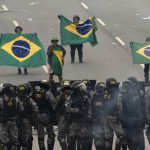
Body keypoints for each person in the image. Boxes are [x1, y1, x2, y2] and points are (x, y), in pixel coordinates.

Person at [117, 79, 145, 150]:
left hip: (131, 124)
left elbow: (119, 110)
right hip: (133, 124)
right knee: (137, 143)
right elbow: (142, 107)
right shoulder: (137, 94)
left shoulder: (121, 95)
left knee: (134, 144)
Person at [65, 81, 91, 150]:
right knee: (72, 140)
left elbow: (89, 107)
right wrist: (77, 111)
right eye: (80, 87)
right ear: (76, 89)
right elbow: (67, 108)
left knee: (84, 139)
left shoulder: (84, 97)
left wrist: (88, 114)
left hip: (83, 121)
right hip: (74, 122)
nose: (82, 89)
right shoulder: (70, 98)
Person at [32, 80, 56, 150]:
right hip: (47, 117)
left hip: (37, 117)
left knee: (41, 136)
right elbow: (53, 105)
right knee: (51, 135)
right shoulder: (48, 93)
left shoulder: (34, 93)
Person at [0, 83, 24, 150]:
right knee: (14, 143)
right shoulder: (16, 99)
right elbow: (21, 110)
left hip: (3, 123)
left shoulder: (1, 100)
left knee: (3, 143)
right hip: (13, 122)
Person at [16, 83, 39, 150]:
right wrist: (32, 117)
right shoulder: (29, 99)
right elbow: (36, 110)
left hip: (17, 122)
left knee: (17, 138)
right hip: (27, 121)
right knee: (28, 139)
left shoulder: (15, 99)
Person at [104, 78, 124, 150]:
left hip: (105, 117)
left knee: (108, 137)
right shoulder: (117, 93)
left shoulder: (104, 92)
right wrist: (121, 114)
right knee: (120, 136)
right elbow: (119, 105)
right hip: (114, 117)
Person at [54, 80, 72, 150]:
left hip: (62, 118)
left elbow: (54, 107)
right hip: (72, 118)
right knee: (71, 136)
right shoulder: (74, 96)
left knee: (61, 136)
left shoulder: (59, 96)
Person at [91, 81, 108, 150]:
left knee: (107, 140)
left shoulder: (107, 96)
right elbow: (90, 108)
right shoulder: (93, 97)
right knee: (98, 141)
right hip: (96, 121)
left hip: (106, 122)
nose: (102, 91)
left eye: (103, 89)